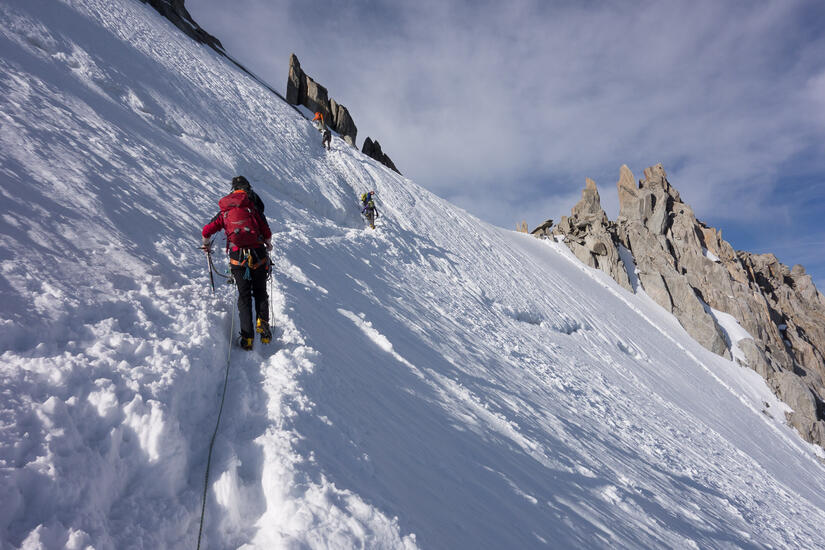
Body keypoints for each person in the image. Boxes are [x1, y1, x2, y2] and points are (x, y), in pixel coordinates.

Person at [202, 176, 272, 350]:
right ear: (247, 189)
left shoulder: (225, 210)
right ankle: (263, 331)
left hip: (237, 257)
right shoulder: (253, 207)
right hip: (258, 254)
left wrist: (206, 244)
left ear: (232, 190)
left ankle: (247, 338)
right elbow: (266, 231)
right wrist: (268, 244)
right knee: (261, 292)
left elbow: (207, 230)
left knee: (244, 296)